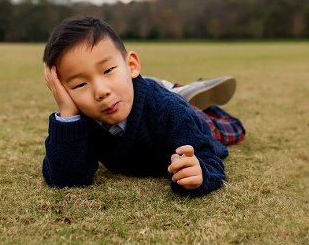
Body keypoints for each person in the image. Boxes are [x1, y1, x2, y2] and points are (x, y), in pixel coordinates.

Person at [41, 16, 245, 197]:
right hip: (147, 100)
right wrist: (68, 114)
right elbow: (65, 178)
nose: (101, 91)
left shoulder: (171, 111)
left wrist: (200, 172)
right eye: (80, 84)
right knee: (166, 101)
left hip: (177, 113)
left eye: (108, 70)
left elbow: (208, 160)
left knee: (225, 129)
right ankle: (171, 89)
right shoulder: (80, 120)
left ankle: (180, 93)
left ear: (131, 65)